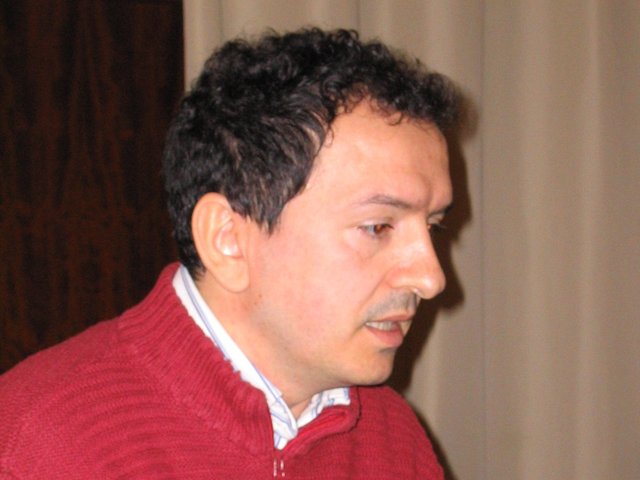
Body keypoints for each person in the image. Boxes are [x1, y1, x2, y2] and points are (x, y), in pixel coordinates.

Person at [0, 28, 458, 479]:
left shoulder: (392, 436)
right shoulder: (37, 445)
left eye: (433, 227)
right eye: (378, 227)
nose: (430, 278)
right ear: (228, 239)